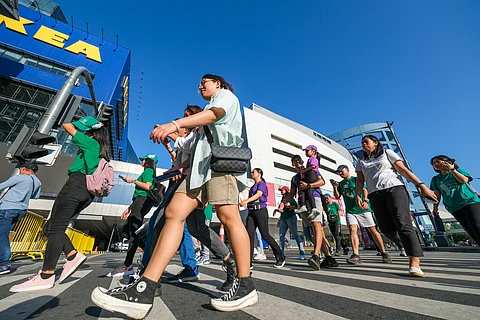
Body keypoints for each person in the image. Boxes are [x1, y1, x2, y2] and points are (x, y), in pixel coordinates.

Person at [92, 74, 257, 318]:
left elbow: (215, 114)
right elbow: (196, 149)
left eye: (205, 82)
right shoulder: (204, 118)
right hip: (198, 172)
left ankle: (245, 284)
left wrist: (175, 124)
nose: (200, 86)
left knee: (227, 215)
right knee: (172, 214)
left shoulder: (226, 97)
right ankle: (144, 287)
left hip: (219, 167)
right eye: (199, 83)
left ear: (218, 84)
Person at [11, 116, 110, 292]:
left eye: (86, 132)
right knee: (50, 227)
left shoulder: (91, 143)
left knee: (56, 228)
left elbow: (67, 126)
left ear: (92, 134)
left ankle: (46, 275)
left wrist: (89, 122)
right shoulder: (99, 150)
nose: (82, 134)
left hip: (76, 185)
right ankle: (72, 255)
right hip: (87, 193)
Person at [355, 135, 437, 278]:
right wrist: (358, 195)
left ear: (375, 143)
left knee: (402, 223)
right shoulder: (361, 161)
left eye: (366, 142)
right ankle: (405, 244)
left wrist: (421, 185)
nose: (363, 144)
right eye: (362, 143)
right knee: (385, 228)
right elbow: (360, 180)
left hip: (394, 189)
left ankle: (414, 263)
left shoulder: (387, 153)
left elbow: (403, 170)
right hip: (375, 195)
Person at [279, 155, 338, 270]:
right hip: (303, 204)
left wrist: (308, 185)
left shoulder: (310, 171)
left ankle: (315, 256)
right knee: (314, 229)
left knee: (317, 226)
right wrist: (283, 202)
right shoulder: (295, 178)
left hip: (314, 199)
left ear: (302, 162)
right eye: (294, 162)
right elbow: (291, 193)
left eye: (298, 161)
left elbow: (322, 182)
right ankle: (329, 257)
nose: (297, 164)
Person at [107, 154, 157, 278]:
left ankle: (127, 265)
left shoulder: (149, 171)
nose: (142, 161)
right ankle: (149, 252)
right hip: (138, 202)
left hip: (142, 202)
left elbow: (147, 186)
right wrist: (129, 208)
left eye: (143, 159)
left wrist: (133, 180)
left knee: (134, 232)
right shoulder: (147, 171)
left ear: (148, 162)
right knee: (126, 232)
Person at [332, 165, 391, 265]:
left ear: (347, 170)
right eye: (339, 172)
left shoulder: (355, 180)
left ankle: (384, 252)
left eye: (342, 171)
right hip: (350, 211)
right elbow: (337, 196)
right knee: (352, 229)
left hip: (363, 209)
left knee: (372, 230)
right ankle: (356, 255)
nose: (340, 173)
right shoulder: (341, 184)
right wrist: (335, 188)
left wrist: (365, 200)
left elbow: (364, 190)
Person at [0, 163, 41, 275]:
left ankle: (4, 264)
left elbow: (2, 186)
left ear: (23, 169)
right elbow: (35, 196)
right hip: (21, 210)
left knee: (2, 235)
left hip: (8, 208)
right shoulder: (37, 181)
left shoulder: (20, 177)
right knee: (4, 234)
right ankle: (3, 262)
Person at [429, 155, 480, 245]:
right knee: (469, 229)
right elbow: (437, 195)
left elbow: (464, 180)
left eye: (438, 161)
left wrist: (452, 170)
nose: (435, 164)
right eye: (433, 163)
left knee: (476, 225)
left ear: (446, 161)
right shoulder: (436, 179)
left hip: (470, 202)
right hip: (453, 207)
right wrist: (435, 208)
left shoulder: (459, 171)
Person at [242, 168, 285, 268]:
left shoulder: (261, 184)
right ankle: (248, 262)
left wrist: (246, 201)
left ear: (259, 174)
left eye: (254, 172)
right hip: (251, 211)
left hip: (260, 211)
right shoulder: (253, 186)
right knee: (249, 236)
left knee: (265, 235)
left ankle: (280, 256)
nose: (252, 173)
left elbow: (259, 194)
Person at [274, 185, 306, 260]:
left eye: (282, 190)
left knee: (295, 234)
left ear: (286, 190)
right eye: (280, 190)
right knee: (281, 235)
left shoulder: (290, 197)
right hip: (283, 218)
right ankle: (281, 253)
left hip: (291, 218)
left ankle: (302, 252)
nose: (281, 191)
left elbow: (296, 206)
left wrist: (291, 207)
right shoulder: (282, 198)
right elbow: (282, 209)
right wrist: (277, 211)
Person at [295, 145, 322, 220]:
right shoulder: (310, 159)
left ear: (313, 151)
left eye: (307, 151)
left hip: (312, 175)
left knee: (303, 187)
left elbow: (313, 166)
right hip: (312, 176)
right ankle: (313, 208)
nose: (306, 153)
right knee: (309, 191)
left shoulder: (313, 158)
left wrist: (304, 170)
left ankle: (303, 205)